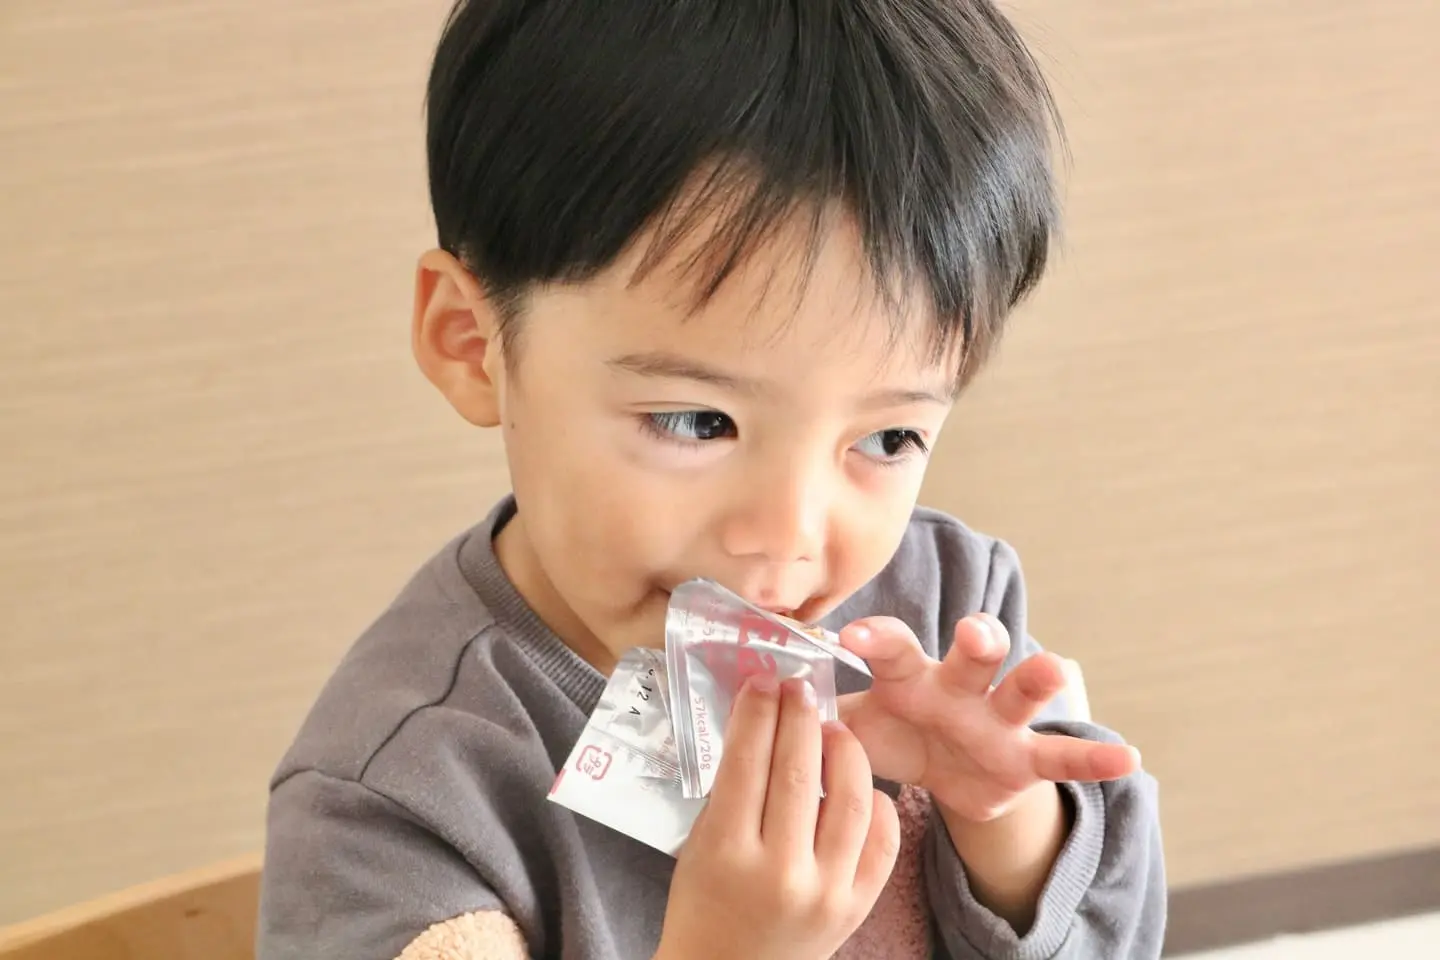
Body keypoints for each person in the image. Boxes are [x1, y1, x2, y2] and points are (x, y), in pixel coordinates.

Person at [256, 1, 1166, 957]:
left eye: (889, 436)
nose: (789, 538)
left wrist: (1005, 822)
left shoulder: (944, 618)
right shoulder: (396, 802)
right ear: (470, 343)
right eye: (698, 422)